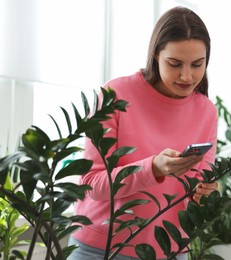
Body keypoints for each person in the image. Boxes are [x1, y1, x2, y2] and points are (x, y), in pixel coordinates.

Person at [68, 6, 219, 260]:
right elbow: (90, 184)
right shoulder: (114, 95)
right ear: (155, 55)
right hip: (99, 249)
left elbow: (195, 191)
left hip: (169, 250)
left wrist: (205, 195)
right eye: (174, 63)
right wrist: (154, 169)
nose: (186, 75)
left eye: (197, 64)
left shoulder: (206, 112)